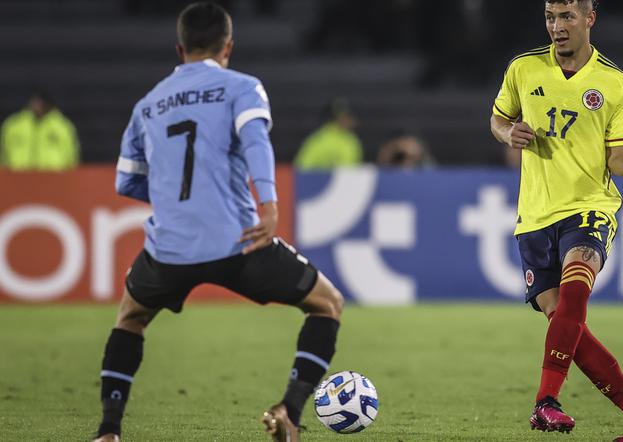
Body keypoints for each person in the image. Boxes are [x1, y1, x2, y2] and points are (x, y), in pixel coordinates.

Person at [93, 3, 343, 442]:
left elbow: (126, 182)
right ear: (228, 46)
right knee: (327, 304)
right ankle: (289, 410)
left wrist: (175, 200)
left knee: (129, 319)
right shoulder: (241, 87)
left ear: (179, 47)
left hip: (168, 249)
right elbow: (255, 142)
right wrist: (268, 203)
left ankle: (109, 431)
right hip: (241, 244)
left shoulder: (147, 105)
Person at [489, 1, 623, 441]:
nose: (557, 27)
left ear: (590, 18)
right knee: (564, 321)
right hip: (534, 215)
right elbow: (498, 118)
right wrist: (507, 133)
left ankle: (545, 402)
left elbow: (618, 159)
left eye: (567, 16)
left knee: (574, 289)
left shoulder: (613, 83)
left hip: (589, 207)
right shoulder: (524, 69)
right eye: (551, 17)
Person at [0, 91, 79, 171]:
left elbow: (72, 158)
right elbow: (3, 155)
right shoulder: (14, 125)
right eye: (36, 101)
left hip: (53, 178)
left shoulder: (63, 127)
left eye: (41, 102)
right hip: (17, 178)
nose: (38, 105)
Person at [293, 97, 363, 170]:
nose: (350, 121)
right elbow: (301, 169)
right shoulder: (317, 140)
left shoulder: (353, 141)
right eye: (345, 117)